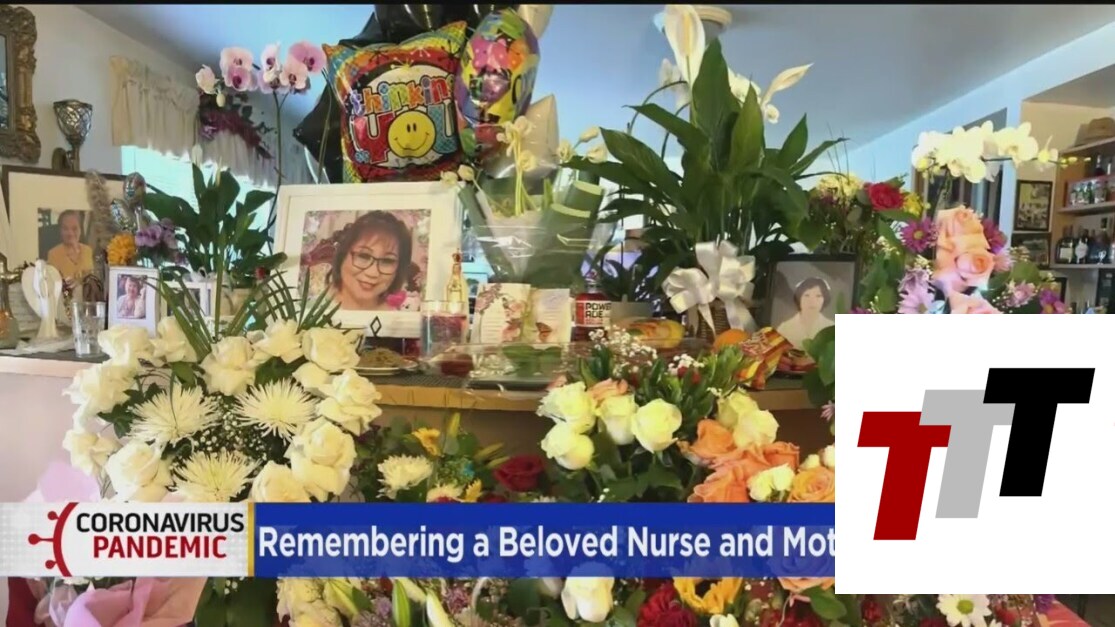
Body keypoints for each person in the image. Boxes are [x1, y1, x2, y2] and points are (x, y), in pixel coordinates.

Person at [329, 211, 413, 310]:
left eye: (387, 261)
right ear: (342, 255)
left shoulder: (403, 315)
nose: (372, 273)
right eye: (364, 256)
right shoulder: (314, 307)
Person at [776, 277, 835, 349]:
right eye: (807, 295)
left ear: (824, 299)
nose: (812, 301)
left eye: (818, 296)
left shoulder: (833, 328)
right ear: (799, 298)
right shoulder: (784, 329)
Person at [46, 210, 94, 281]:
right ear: (60, 231)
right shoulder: (53, 254)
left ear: (80, 230)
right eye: (65, 229)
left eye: (75, 228)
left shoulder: (88, 251)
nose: (70, 233)